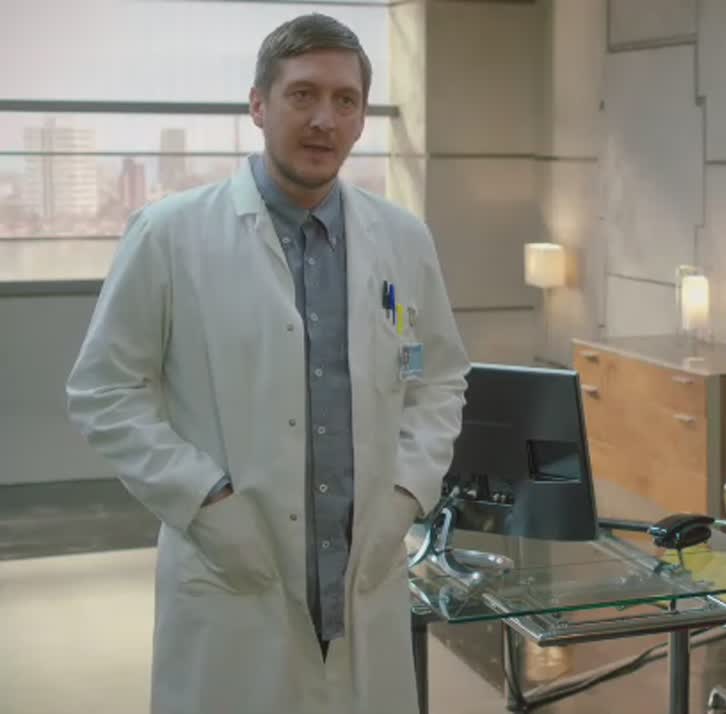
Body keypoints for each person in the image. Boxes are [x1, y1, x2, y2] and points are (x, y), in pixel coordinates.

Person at [65, 14, 469, 714]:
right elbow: (105, 390)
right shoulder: (171, 234)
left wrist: (407, 491)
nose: (324, 119)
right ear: (258, 104)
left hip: (363, 564)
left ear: (362, 118)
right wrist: (203, 499)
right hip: (232, 563)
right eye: (302, 94)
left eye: (345, 100)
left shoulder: (402, 239)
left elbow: (438, 378)